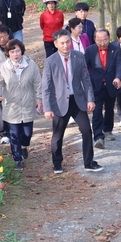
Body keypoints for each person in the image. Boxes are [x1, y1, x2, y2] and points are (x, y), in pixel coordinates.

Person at [42, 29, 103, 174]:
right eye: (62, 43)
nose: (65, 45)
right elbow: (46, 86)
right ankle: (57, 163)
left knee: (87, 130)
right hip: (59, 102)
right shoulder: (50, 61)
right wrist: (47, 108)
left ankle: (88, 162)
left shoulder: (79, 56)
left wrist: (90, 99)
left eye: (67, 42)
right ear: (56, 44)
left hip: (77, 100)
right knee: (58, 135)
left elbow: (86, 80)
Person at [0, 39, 43, 171]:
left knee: (27, 133)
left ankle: (24, 146)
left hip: (27, 104)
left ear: (22, 51)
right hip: (11, 106)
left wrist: (39, 99)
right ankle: (17, 159)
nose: (15, 54)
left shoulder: (30, 65)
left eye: (18, 51)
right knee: (14, 135)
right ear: (8, 53)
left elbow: (38, 83)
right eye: (12, 51)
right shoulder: (4, 67)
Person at [84, 29, 121, 148]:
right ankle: (98, 136)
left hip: (111, 84)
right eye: (99, 41)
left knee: (110, 109)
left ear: (109, 38)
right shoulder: (90, 50)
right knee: (97, 111)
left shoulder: (115, 49)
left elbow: (120, 65)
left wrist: (118, 78)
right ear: (95, 39)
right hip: (96, 85)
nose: (102, 43)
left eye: (105, 40)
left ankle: (107, 130)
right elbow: (85, 67)